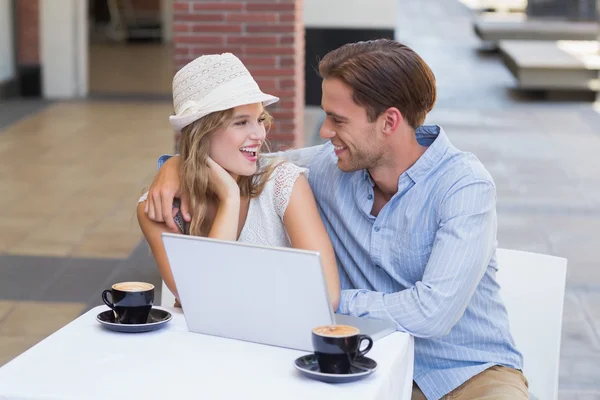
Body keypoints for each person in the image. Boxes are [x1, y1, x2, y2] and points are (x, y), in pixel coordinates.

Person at [143, 40, 528, 399]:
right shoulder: (334, 165)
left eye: (337, 119)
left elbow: (432, 314)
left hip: (469, 374)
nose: (325, 132)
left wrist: (315, 298)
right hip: (364, 367)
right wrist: (175, 163)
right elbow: (248, 164)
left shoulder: (464, 187)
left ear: (389, 122)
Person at [136, 53, 340, 311]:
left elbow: (327, 295)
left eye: (260, 119)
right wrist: (229, 199)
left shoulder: (283, 183)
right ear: (201, 132)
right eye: (241, 122)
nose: (259, 134)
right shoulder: (158, 207)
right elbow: (201, 300)